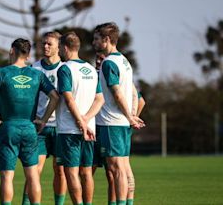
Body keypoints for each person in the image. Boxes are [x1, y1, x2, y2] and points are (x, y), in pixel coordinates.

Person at [0, 38, 59, 205]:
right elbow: (55, 97)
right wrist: (44, 120)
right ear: (28, 54)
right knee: (33, 175)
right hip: (30, 128)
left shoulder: (1, 73)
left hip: (8, 128)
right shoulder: (37, 74)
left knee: (7, 177)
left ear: (12, 51)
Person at [92, 22, 145, 205]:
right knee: (121, 169)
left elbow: (117, 93)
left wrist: (130, 116)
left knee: (117, 170)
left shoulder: (108, 63)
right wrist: (131, 115)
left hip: (111, 123)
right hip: (120, 123)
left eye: (97, 39)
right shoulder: (124, 61)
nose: (94, 42)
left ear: (106, 40)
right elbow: (132, 92)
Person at [56, 32, 104, 205]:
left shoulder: (65, 69)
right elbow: (100, 99)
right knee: (86, 172)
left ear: (65, 48)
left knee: (71, 172)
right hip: (90, 129)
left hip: (70, 129)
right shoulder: (91, 69)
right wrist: (87, 120)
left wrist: (79, 122)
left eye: (60, 47)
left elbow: (68, 99)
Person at [22, 31, 67, 205]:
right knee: (34, 171)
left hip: (60, 126)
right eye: (44, 43)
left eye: (50, 44)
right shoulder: (34, 68)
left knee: (60, 170)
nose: (45, 46)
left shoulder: (65, 68)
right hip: (38, 126)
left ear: (59, 47)